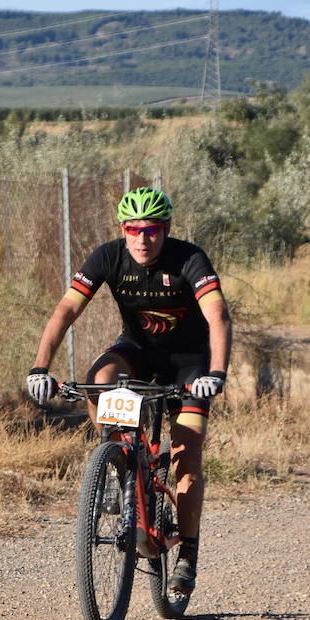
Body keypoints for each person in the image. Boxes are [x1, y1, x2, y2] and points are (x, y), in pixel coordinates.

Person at [26, 186, 232, 598]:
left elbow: (218, 315)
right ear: (122, 229)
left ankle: (187, 554)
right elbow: (67, 309)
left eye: (151, 230)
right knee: (99, 379)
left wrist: (216, 373)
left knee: (186, 456)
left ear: (166, 229)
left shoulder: (189, 258)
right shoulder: (108, 256)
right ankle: (117, 459)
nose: (142, 239)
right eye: (133, 229)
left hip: (190, 365)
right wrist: (39, 367)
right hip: (137, 352)